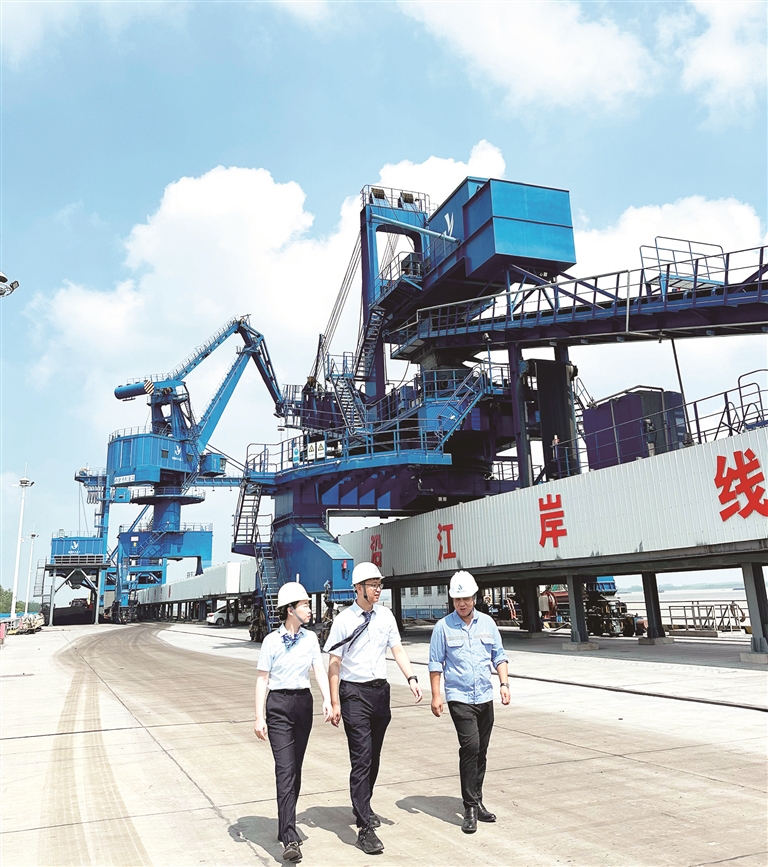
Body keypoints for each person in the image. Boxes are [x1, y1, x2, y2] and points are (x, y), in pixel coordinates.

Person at [324, 561, 423, 855]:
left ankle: (363, 806)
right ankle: (364, 828)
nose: (378, 589)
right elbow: (334, 662)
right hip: (353, 694)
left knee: (374, 757)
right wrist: (334, 701)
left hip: (380, 693)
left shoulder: (386, 616)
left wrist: (412, 677)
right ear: (358, 588)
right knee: (362, 758)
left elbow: (397, 649)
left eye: (380, 584)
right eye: (373, 585)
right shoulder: (344, 620)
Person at [254, 582, 332, 862]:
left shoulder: (310, 639)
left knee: (295, 770)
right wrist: (259, 716)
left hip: (303, 705)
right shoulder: (271, 641)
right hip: (278, 707)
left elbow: (319, 669)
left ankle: (284, 822)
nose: (310, 609)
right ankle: (289, 837)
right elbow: (262, 679)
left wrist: (327, 700)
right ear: (290, 610)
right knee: (285, 770)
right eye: (305, 605)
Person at [428, 570, 510, 834]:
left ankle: (478, 799)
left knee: (481, 751)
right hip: (459, 698)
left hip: (485, 696)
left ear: (474, 597)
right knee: (470, 747)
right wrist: (436, 695)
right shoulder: (443, 627)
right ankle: (470, 808)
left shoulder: (488, 624)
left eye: (465, 598)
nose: (461, 604)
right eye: (457, 599)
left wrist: (504, 684)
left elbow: (499, 656)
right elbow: (435, 664)